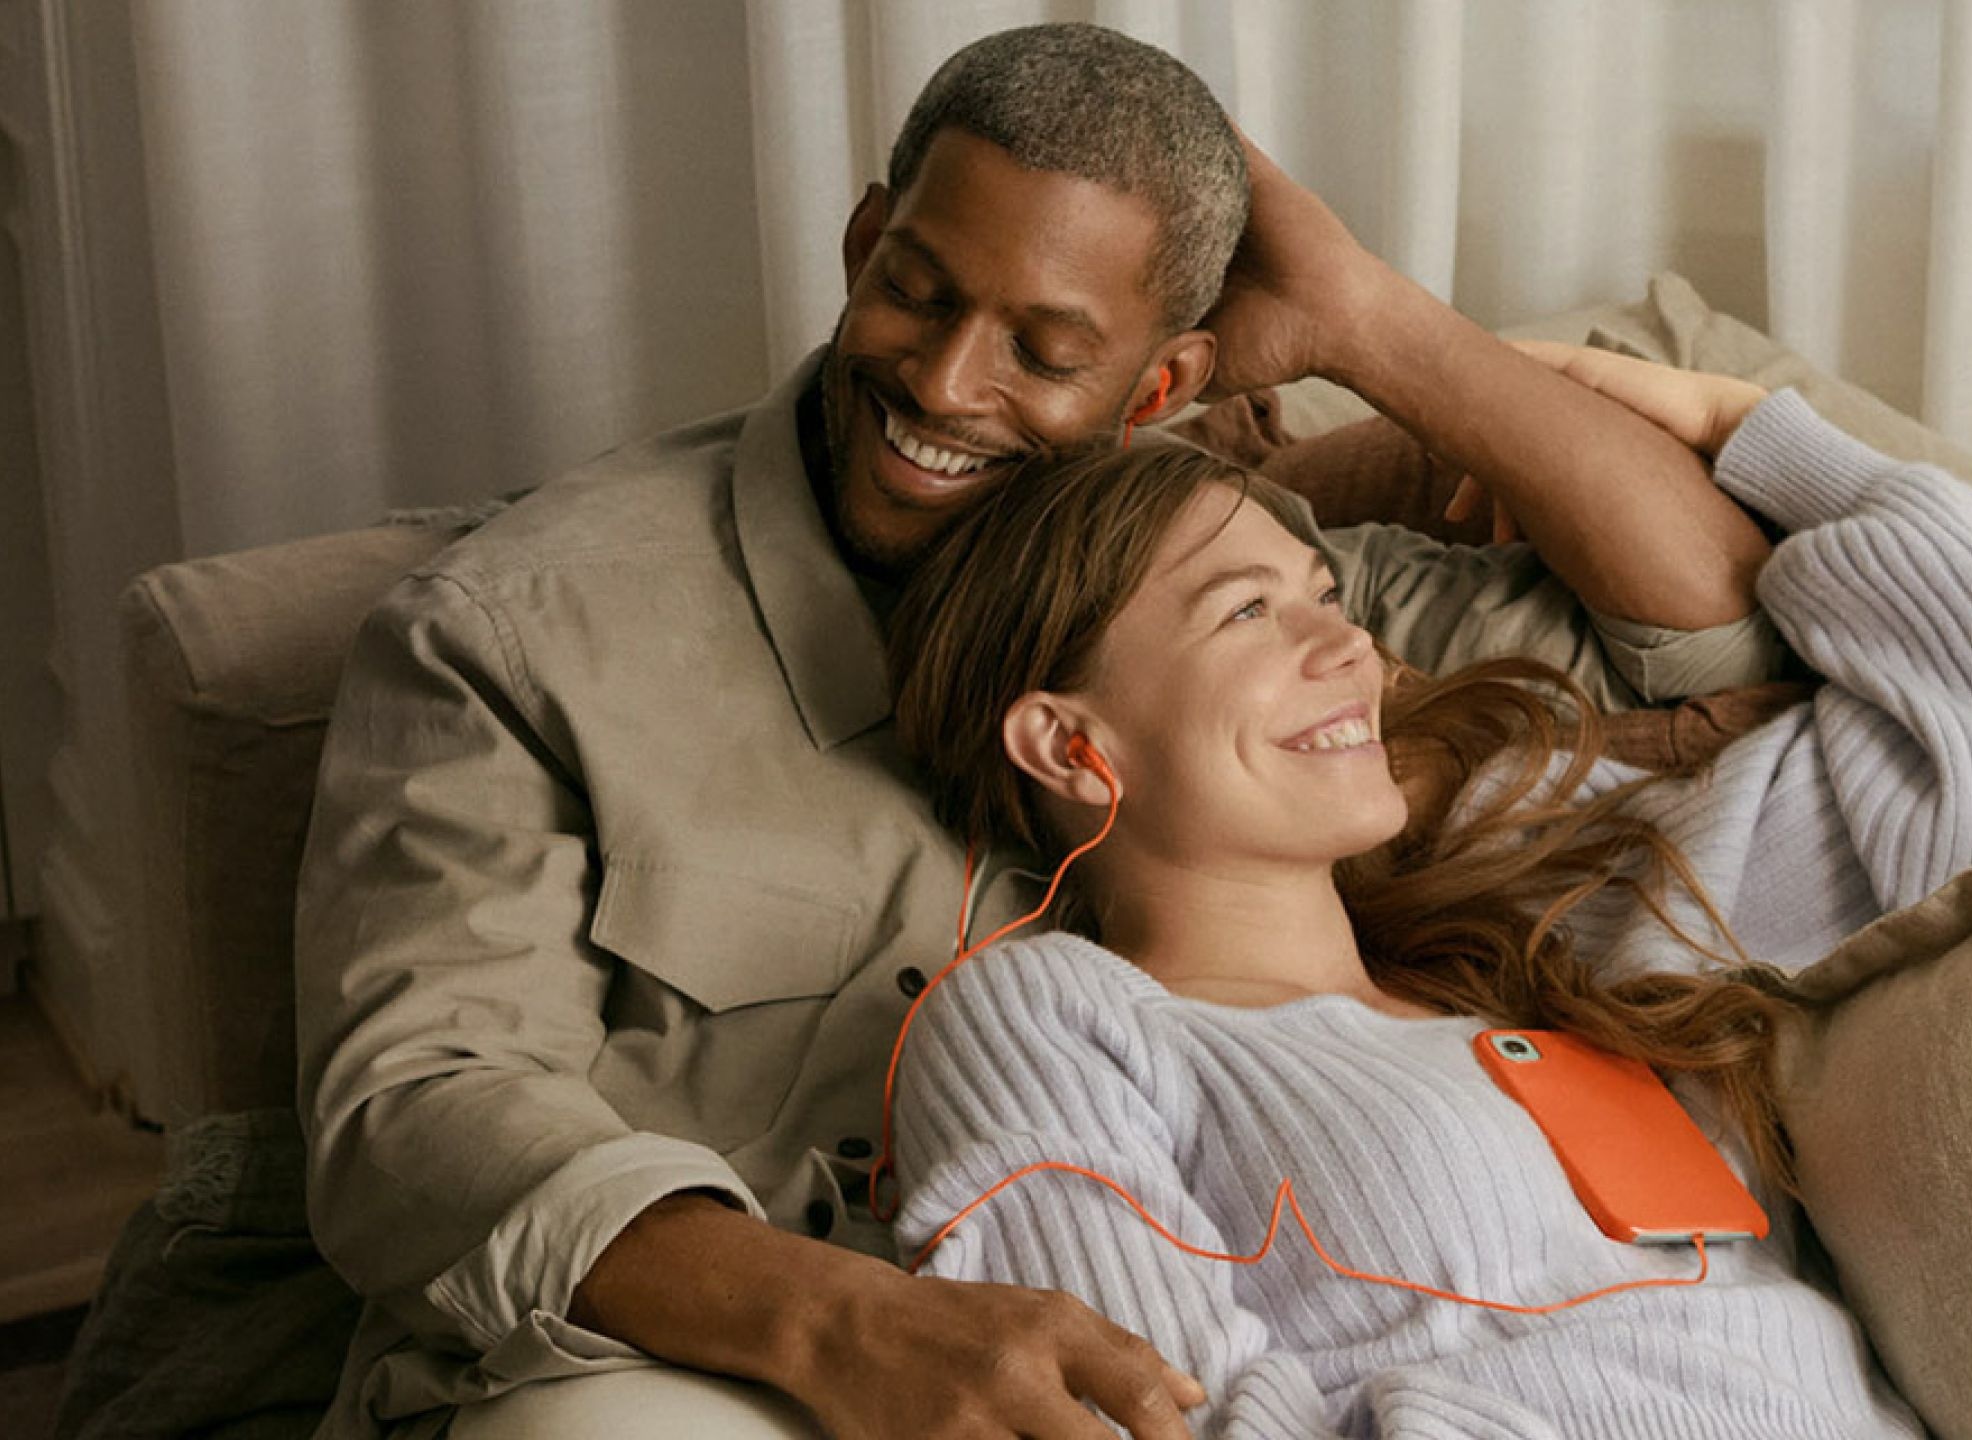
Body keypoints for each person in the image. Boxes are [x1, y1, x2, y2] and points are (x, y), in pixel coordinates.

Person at [293, 23, 1784, 1440]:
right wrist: (838, 1327)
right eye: (918, 289)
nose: (943, 386)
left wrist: (1364, 318)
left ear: (1162, 383)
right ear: (865, 237)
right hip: (732, 1352)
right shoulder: (518, 631)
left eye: (1045, 352)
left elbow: (1712, 634)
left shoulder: (1234, 564)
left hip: (1200, 1345)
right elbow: (415, 1105)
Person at [879, 350, 1972, 1436]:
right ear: (1065, 744)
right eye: (1246, 614)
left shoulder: (1561, 925)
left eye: (1324, 597)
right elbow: (1136, 1410)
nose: (1349, 650)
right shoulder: (1046, 1015)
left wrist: (1732, 422)